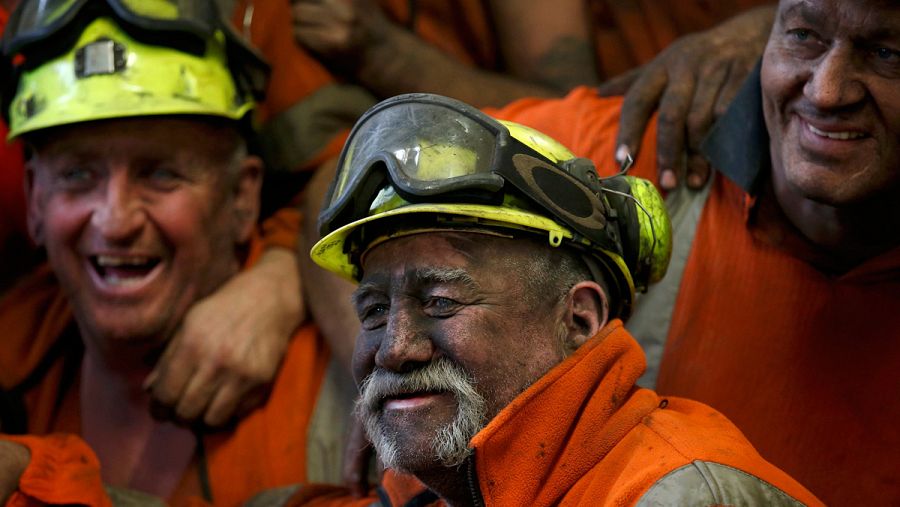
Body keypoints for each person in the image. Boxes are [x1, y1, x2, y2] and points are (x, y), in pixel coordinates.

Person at [283, 94, 822, 506]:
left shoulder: (680, 495)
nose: (394, 348)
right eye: (375, 310)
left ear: (579, 319)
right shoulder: (434, 493)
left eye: (442, 300)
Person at [483, 0, 900, 503]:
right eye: (804, 35)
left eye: (886, 53)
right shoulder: (636, 160)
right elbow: (382, 168)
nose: (827, 91)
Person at [0, 5, 352, 505]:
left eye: (161, 174)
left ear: (241, 198)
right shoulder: (16, 361)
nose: (115, 221)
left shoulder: (347, 385)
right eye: (79, 175)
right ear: (35, 198)